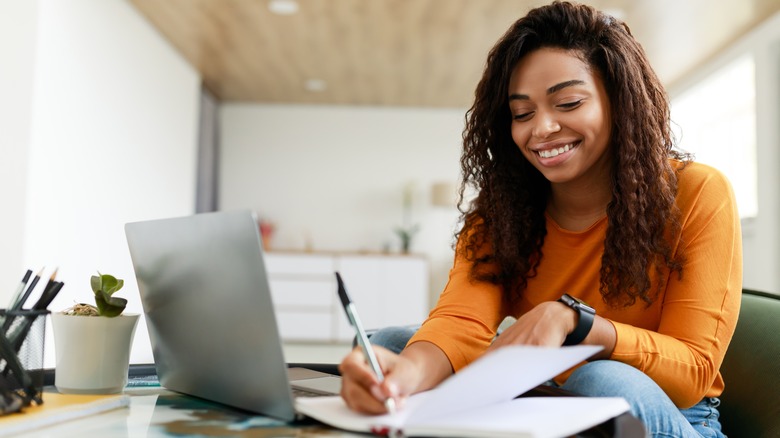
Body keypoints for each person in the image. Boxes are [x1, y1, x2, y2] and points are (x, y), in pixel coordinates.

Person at [338, 2, 742, 437]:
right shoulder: (502, 211)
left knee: (601, 380)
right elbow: (461, 321)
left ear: (620, 102)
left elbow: (694, 371)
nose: (542, 129)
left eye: (568, 102)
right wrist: (403, 378)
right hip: (548, 401)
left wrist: (576, 322)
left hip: (672, 413)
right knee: (392, 344)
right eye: (522, 113)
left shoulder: (698, 192)